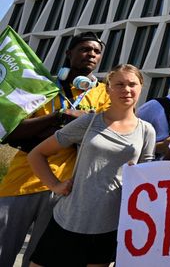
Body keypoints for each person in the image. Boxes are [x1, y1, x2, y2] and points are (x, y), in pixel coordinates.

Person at [27, 64, 155, 266]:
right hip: (67, 219)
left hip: (109, 226)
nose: (126, 90)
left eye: (132, 84)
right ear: (107, 88)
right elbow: (37, 154)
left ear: (141, 87)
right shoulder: (89, 121)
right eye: (119, 84)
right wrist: (55, 185)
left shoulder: (147, 131)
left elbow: (144, 179)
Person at [0, 32, 110, 267]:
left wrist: (48, 133)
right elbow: (15, 132)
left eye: (96, 51)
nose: (91, 54)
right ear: (69, 54)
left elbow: (101, 135)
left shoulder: (105, 94)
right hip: (20, 182)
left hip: (64, 188)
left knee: (40, 260)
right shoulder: (43, 88)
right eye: (84, 49)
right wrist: (59, 117)